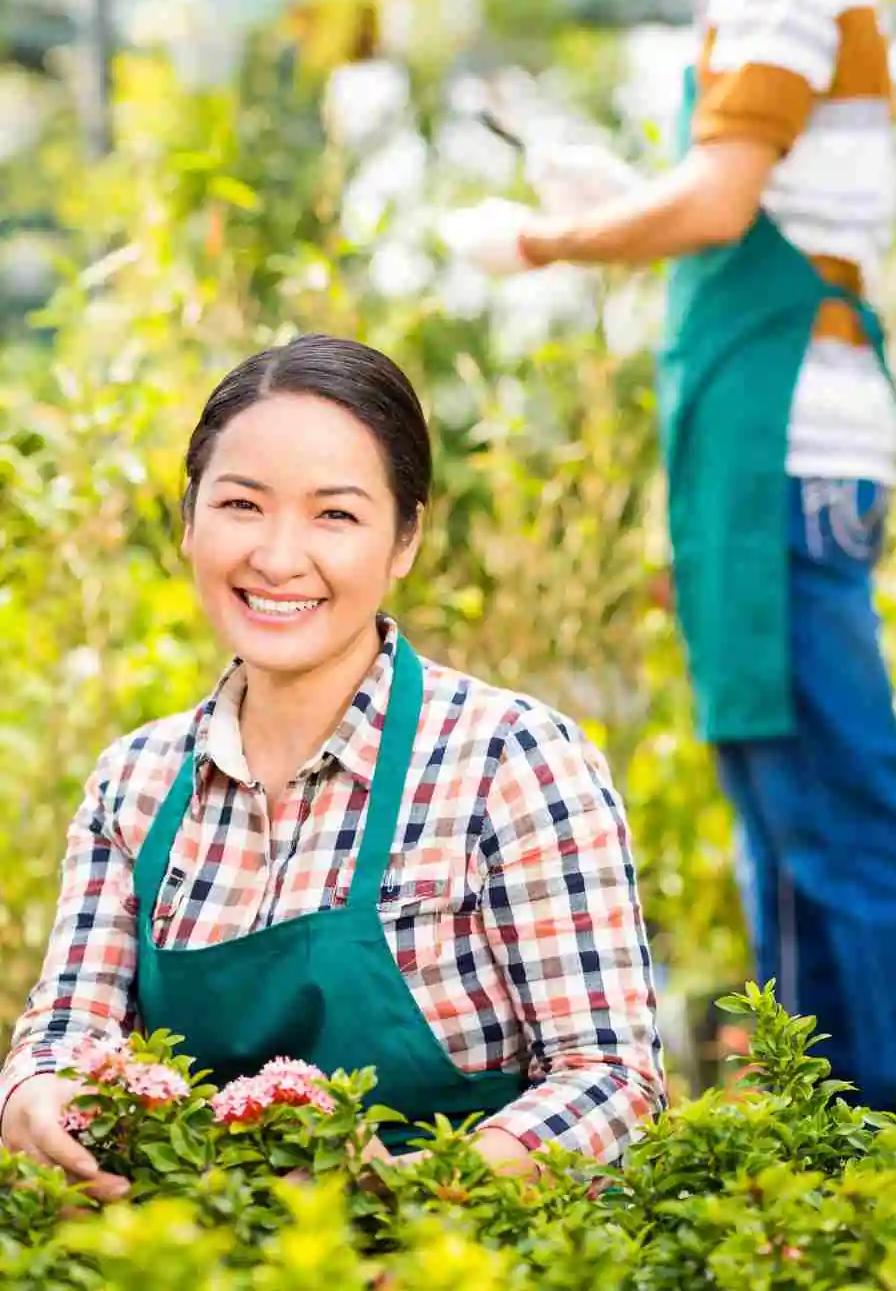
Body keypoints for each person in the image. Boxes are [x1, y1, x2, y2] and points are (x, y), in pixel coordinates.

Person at [441, 0, 896, 1115]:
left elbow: (723, 207)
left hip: (784, 443)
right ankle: (837, 1141)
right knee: (782, 816)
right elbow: (747, 196)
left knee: (834, 819)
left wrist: (549, 238)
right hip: (761, 443)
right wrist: (631, 192)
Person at [0, 335, 663, 1200]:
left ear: (405, 540)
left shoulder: (510, 760)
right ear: (189, 518)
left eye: (335, 515)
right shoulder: (136, 783)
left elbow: (612, 1080)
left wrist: (414, 1192)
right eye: (241, 504)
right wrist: (39, 1097)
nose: (278, 558)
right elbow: (65, 1033)